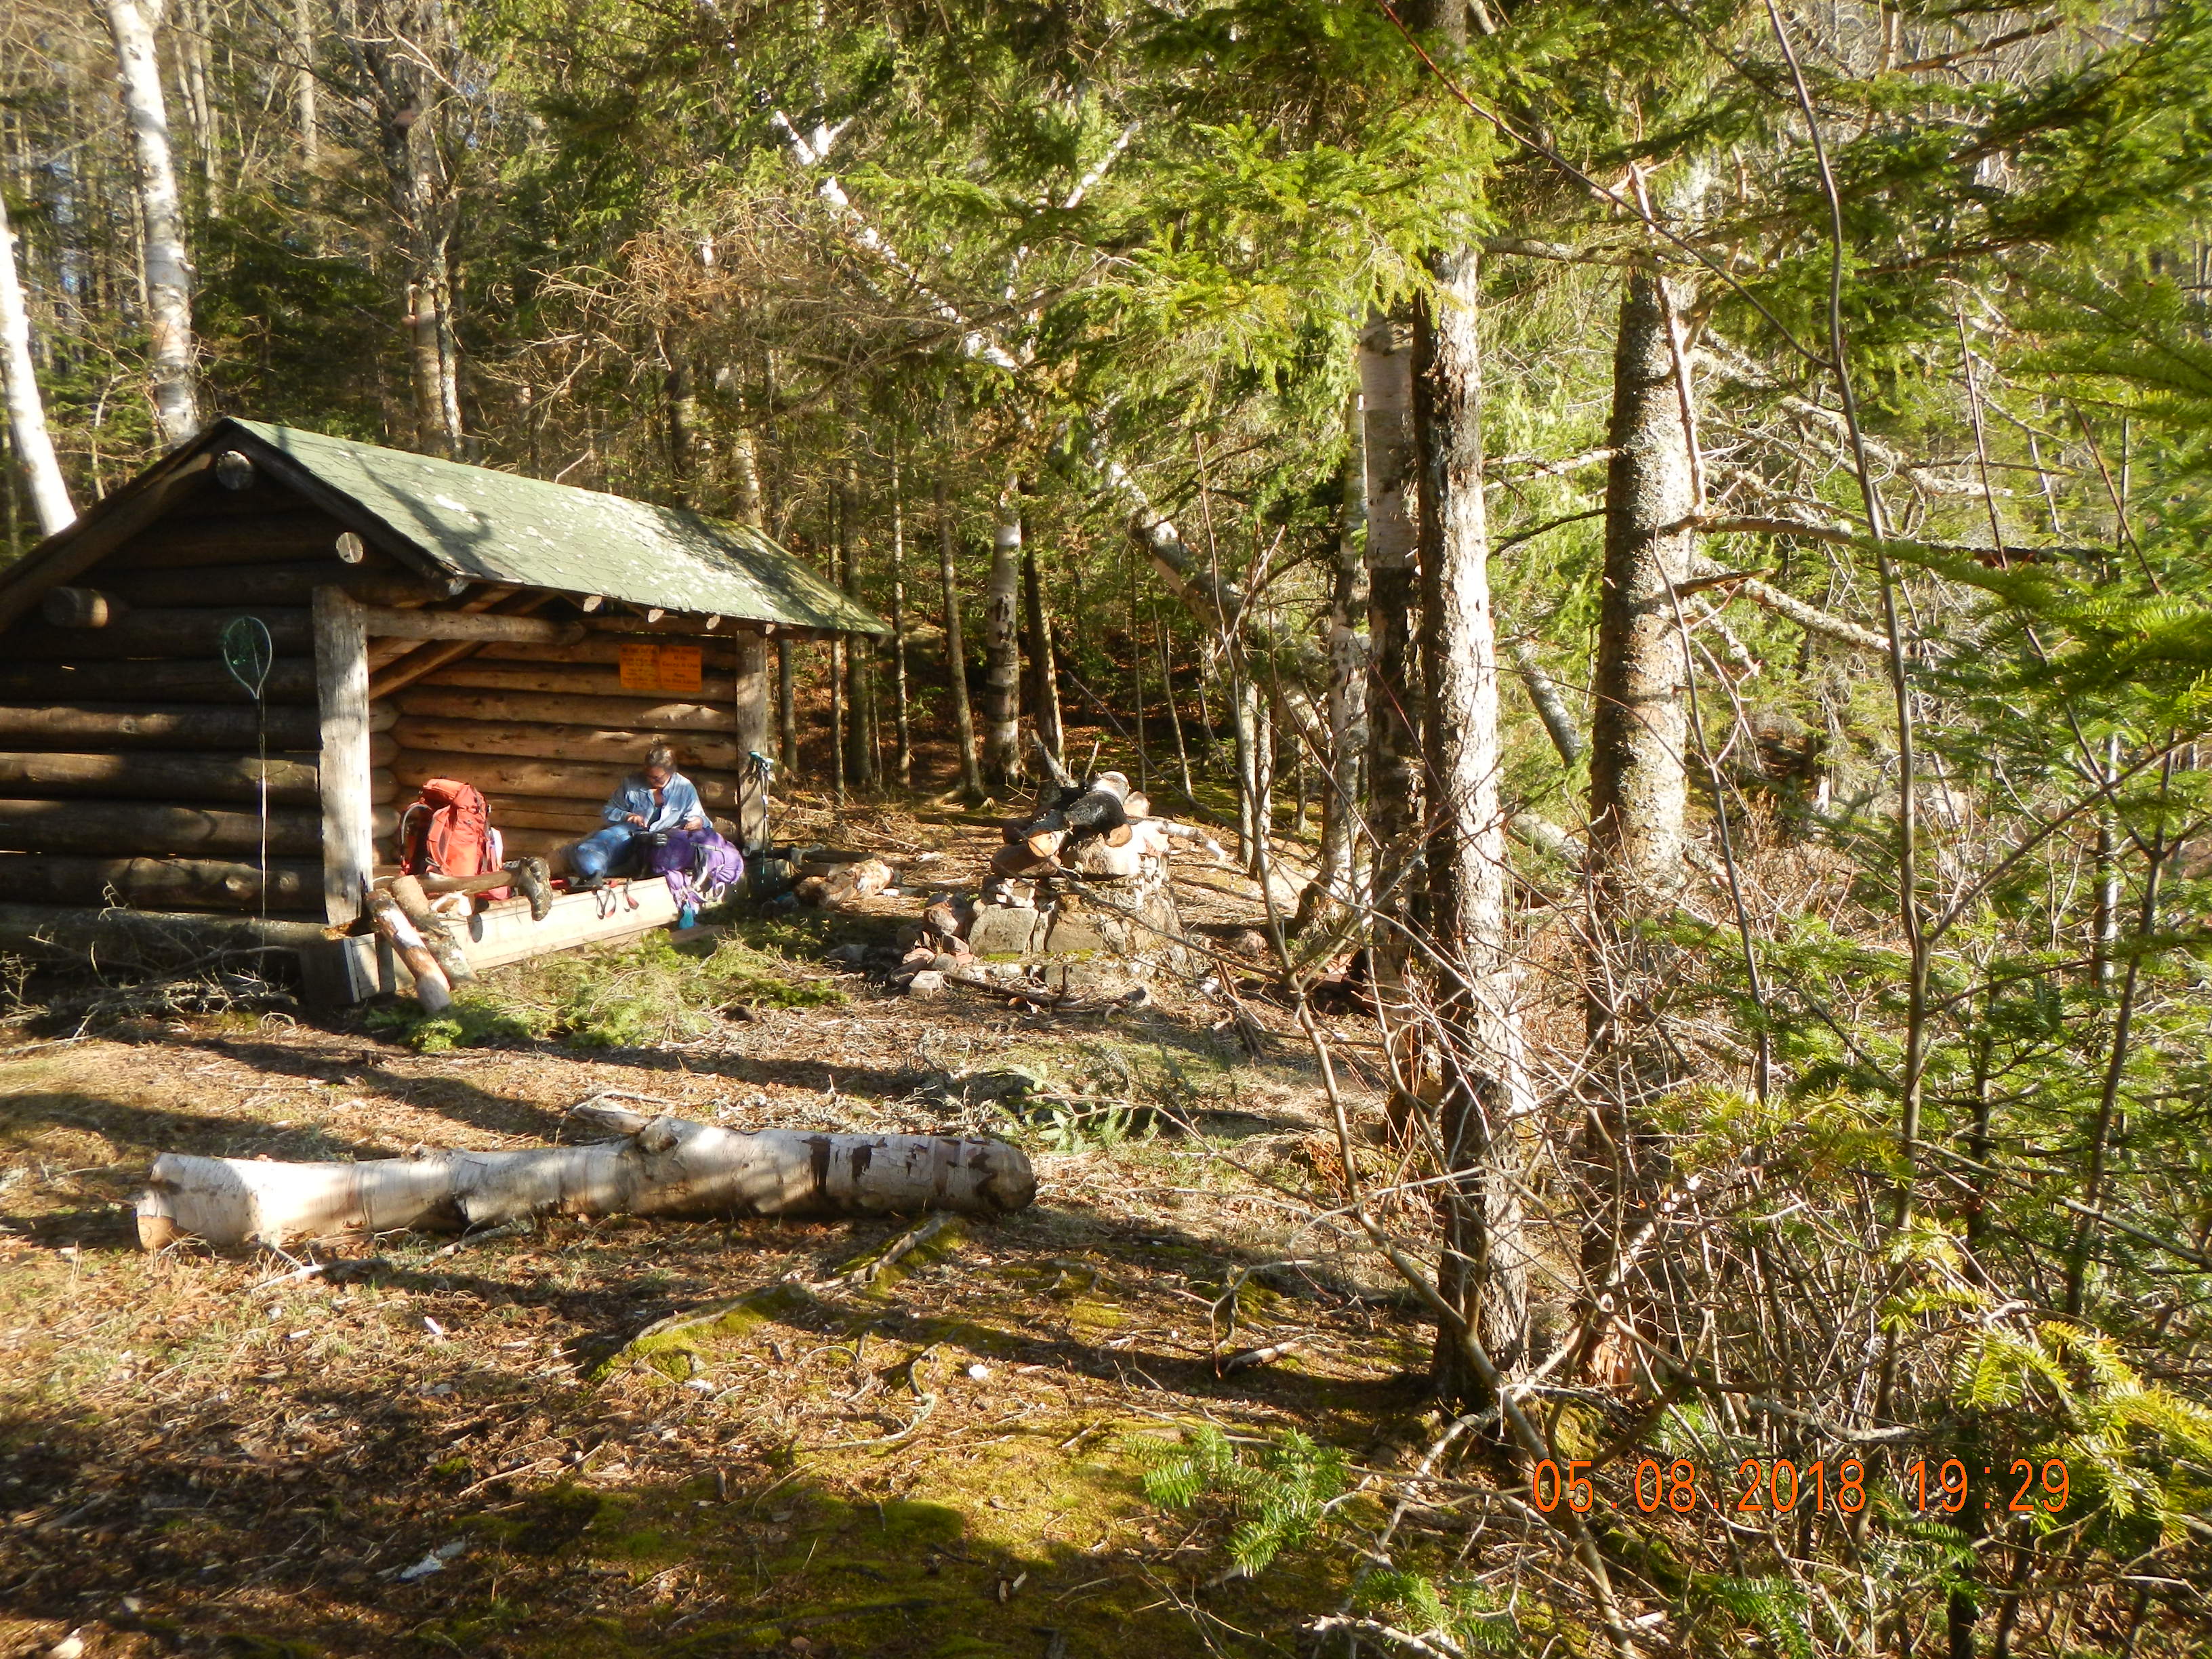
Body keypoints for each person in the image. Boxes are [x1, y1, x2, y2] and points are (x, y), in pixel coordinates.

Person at [569, 743, 708, 890]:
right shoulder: (631, 783)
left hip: (660, 845)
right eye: (648, 776)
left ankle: (609, 871)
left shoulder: (684, 788)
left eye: (657, 778)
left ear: (671, 772)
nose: (651, 781)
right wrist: (627, 815)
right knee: (586, 852)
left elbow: (702, 819)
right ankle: (593, 872)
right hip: (629, 837)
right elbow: (608, 811)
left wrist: (698, 821)